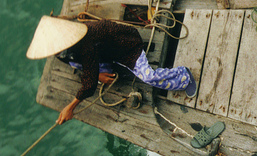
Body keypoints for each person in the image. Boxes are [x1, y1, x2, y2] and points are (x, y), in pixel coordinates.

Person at [27, 15, 197, 124]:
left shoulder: (86, 42)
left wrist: (70, 107)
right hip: (104, 53)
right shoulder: (62, 51)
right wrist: (97, 73)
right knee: (75, 63)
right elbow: (82, 67)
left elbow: (89, 85)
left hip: (126, 47)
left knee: (149, 77)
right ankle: (101, 69)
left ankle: (184, 76)